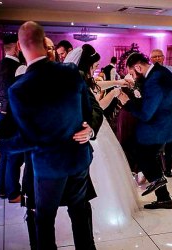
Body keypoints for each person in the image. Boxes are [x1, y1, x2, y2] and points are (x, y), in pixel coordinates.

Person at [0, 21, 102, 249]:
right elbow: (85, 110)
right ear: (45, 46)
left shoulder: (20, 89)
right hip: (77, 160)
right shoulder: (70, 72)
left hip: (49, 166)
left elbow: (31, 138)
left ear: (19, 46)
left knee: (45, 221)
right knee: (78, 215)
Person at [65, 44, 140, 235]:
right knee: (102, 169)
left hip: (96, 128)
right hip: (92, 129)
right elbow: (97, 105)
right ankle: (106, 210)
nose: (96, 70)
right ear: (86, 65)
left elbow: (96, 86)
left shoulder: (79, 76)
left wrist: (118, 83)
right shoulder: (78, 78)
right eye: (94, 66)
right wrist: (115, 92)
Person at [117, 52, 172, 209]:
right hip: (164, 124)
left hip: (158, 127)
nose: (133, 76)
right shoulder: (161, 71)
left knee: (134, 149)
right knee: (145, 155)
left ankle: (158, 181)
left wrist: (126, 103)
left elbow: (146, 114)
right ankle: (163, 195)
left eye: (132, 73)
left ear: (138, 67)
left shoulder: (154, 80)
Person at [0, 33, 24, 203]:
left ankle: (2, 188)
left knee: (4, 153)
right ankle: (13, 193)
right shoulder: (19, 68)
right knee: (13, 154)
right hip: (12, 115)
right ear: (18, 46)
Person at [150, 48, 172, 177]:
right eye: (154, 57)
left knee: (171, 141)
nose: (157, 58)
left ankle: (168, 168)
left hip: (170, 110)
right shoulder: (147, 73)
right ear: (151, 59)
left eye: (159, 56)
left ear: (164, 57)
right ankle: (158, 168)